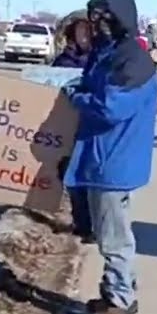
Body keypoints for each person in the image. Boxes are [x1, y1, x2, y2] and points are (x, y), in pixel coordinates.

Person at [63, 0, 157, 314]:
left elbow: (110, 107)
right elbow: (95, 88)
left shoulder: (133, 60)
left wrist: (77, 98)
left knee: (114, 237)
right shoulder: (110, 53)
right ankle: (117, 289)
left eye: (103, 19)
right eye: (94, 19)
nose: (97, 26)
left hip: (114, 159)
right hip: (102, 154)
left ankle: (120, 299)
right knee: (109, 232)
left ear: (118, 19)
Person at [52, 18, 96, 242]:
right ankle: (82, 223)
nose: (84, 35)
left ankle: (93, 224)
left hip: (91, 126)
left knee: (91, 177)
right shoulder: (63, 60)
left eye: (89, 30)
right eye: (80, 30)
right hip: (65, 128)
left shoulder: (101, 60)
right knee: (70, 174)